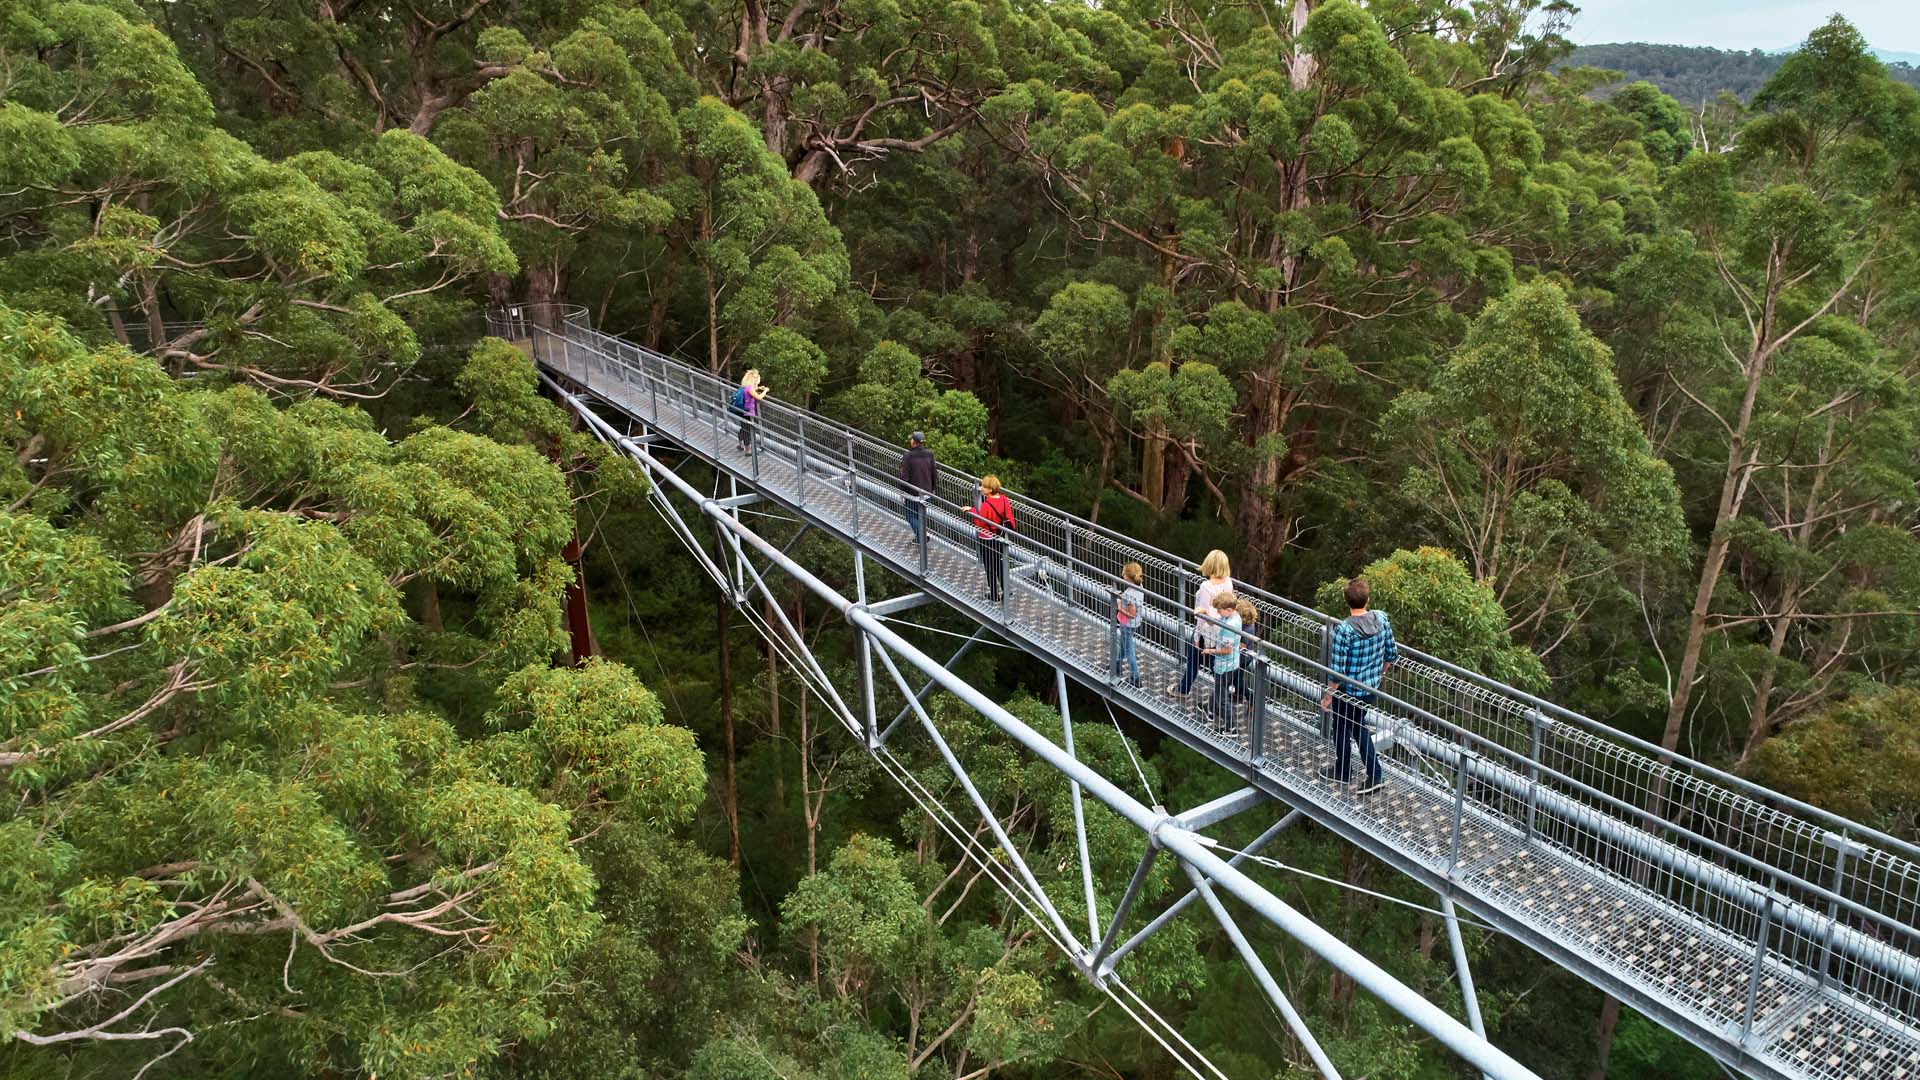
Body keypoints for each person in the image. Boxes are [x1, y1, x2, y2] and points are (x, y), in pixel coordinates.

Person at [1319, 577, 1397, 794]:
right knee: (1342, 726)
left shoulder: (1344, 630)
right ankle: (1343, 769)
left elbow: (1338, 671)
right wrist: (1379, 673)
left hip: (1348, 692)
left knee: (1356, 728)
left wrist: (1328, 695)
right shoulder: (1381, 619)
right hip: (1370, 689)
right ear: (1367, 599)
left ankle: (1375, 775)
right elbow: (1391, 654)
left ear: (1346, 602)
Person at [1168, 550, 1232, 698]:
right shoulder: (1228, 582)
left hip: (1206, 631)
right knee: (1215, 665)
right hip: (1221, 630)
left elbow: (1202, 615)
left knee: (1193, 662)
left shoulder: (1206, 586)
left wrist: (1196, 637)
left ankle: (1183, 690)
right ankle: (1224, 692)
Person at [1203, 591, 1244, 733]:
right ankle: (1211, 710)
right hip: (1231, 664)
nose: (1218, 613)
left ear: (1229, 610)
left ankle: (1230, 727)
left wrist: (1210, 651)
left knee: (1222, 698)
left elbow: (1227, 650)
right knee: (1220, 688)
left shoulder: (1229, 628)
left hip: (1225, 665)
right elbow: (1217, 620)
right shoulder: (1234, 616)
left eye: (1220, 610)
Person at [971, 475, 1015, 602]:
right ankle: (1005, 590)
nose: (981, 488)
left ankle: (994, 594)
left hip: (987, 539)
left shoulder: (986, 505)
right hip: (1001, 537)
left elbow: (980, 523)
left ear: (990, 490)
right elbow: (1009, 517)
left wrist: (972, 510)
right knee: (999, 563)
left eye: (984, 486)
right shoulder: (1004, 499)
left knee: (989, 566)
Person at [898, 431, 936, 546]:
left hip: (913, 493)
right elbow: (934, 473)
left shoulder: (908, 456)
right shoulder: (930, 454)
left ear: (914, 442)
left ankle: (921, 537)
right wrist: (933, 488)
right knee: (921, 515)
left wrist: (902, 492)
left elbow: (904, 476)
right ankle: (921, 536)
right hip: (927, 491)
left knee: (910, 514)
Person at [1114, 562, 1145, 688]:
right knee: (1123, 644)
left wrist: (1118, 605)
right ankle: (1116, 664)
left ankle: (1136, 677)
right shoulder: (1140, 586)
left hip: (1127, 624)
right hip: (1135, 623)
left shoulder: (1129, 594)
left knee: (1129, 650)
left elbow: (1131, 614)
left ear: (1127, 577)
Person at [730, 369, 769, 453]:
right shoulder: (749, 389)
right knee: (747, 430)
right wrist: (765, 391)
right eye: (757, 382)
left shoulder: (745, 386)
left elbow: (752, 390)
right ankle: (748, 450)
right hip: (747, 412)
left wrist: (759, 388)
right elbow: (758, 397)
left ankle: (741, 445)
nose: (757, 383)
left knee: (744, 428)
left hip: (742, 410)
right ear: (754, 380)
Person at [1232, 597, 1259, 703]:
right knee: (1237, 677)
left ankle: (1251, 698)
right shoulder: (1248, 624)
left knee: (1237, 680)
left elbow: (1242, 646)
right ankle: (1238, 694)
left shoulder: (1246, 629)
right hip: (1244, 657)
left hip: (1242, 658)